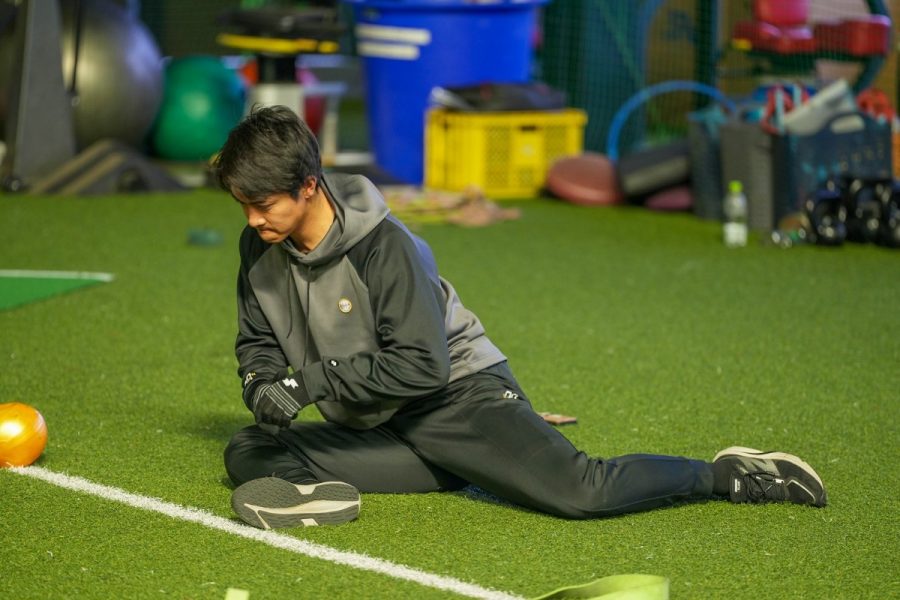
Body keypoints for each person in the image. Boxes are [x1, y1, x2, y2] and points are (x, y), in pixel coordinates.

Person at [211, 106, 826, 530]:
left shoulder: (385, 246)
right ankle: (320, 494)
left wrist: (309, 383)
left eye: (263, 204)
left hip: (455, 400)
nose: (252, 220)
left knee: (581, 492)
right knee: (249, 447)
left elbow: (423, 365)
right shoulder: (258, 246)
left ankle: (727, 475)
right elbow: (258, 338)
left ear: (309, 186)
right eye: (244, 206)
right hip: (383, 426)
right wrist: (261, 382)